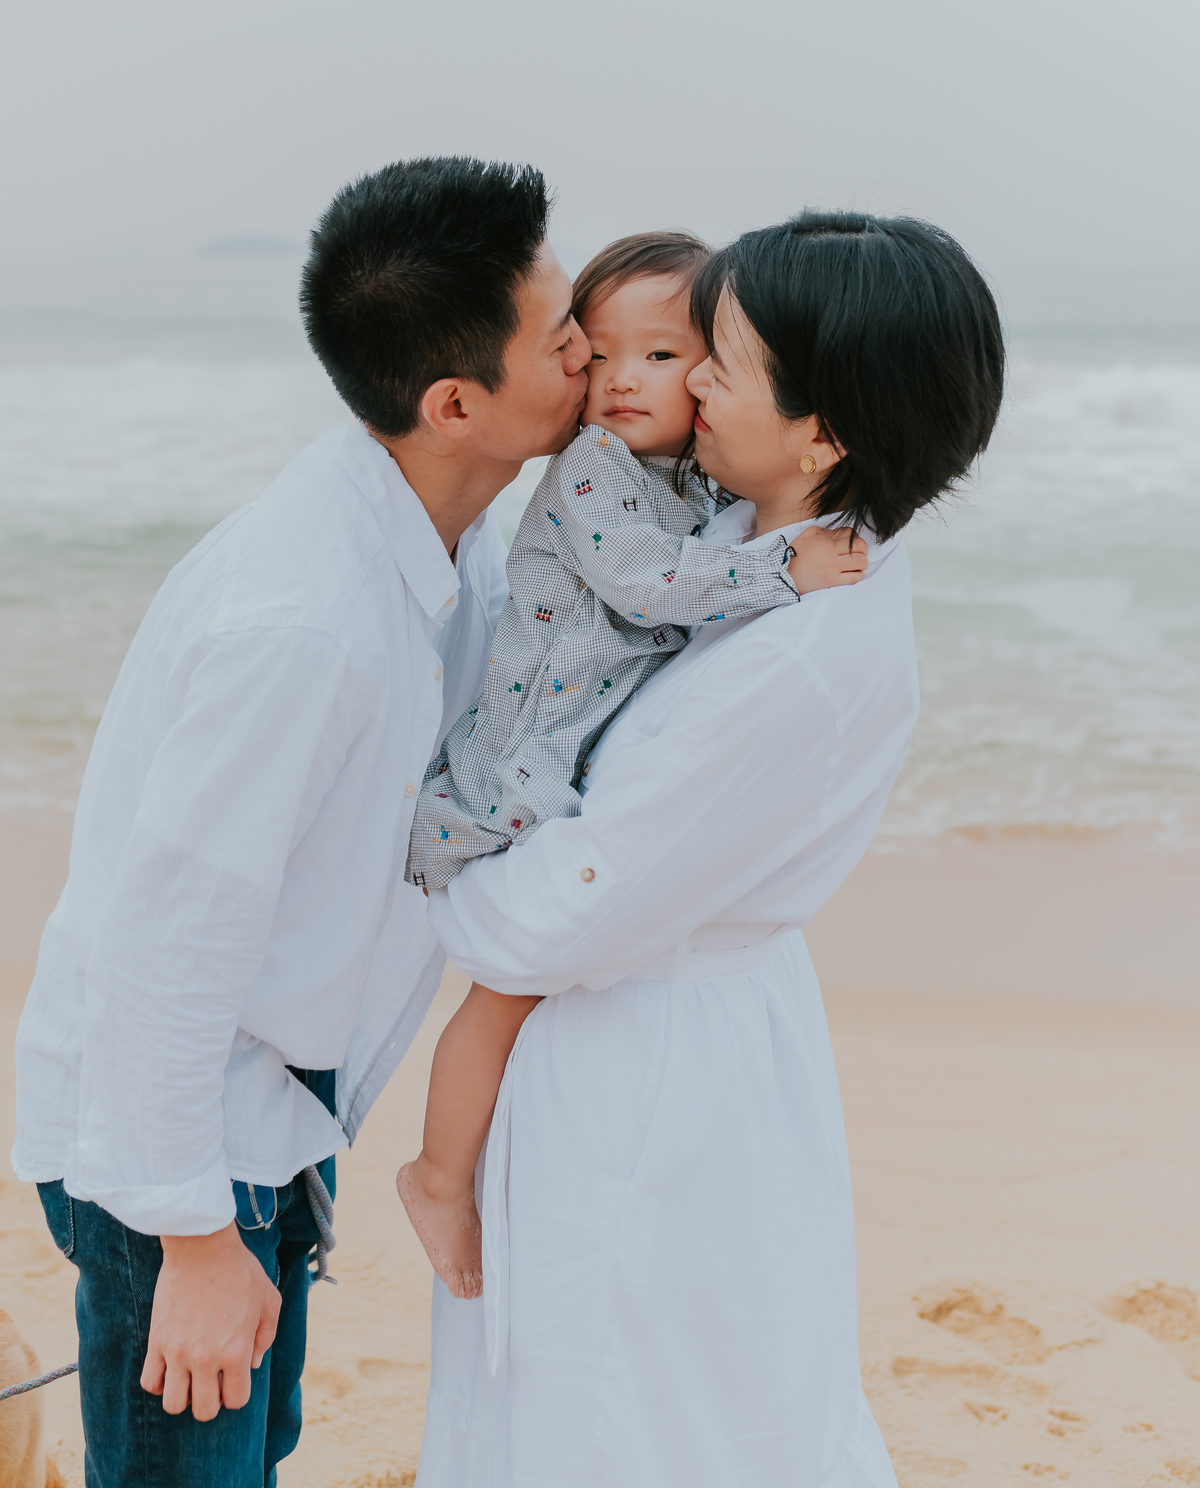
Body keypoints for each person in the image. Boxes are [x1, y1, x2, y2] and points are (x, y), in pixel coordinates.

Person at [11, 156, 591, 1487]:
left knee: (249, 1449)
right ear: (456, 402)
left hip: (270, 1123)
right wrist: (194, 1239)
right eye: (560, 336)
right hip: (170, 1154)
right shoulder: (302, 618)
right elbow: (167, 942)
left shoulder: (451, 537)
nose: (594, 350)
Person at [415, 211, 1005, 1487]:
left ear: (823, 430)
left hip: (651, 1067)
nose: (689, 387)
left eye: (720, 363)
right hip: (673, 1033)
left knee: (632, 1415)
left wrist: (450, 904)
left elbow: (559, 917)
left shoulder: (795, 651)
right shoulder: (765, 547)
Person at [398, 232, 867, 1297]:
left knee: (533, 988)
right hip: (518, 766)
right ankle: (435, 1172)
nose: (622, 380)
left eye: (662, 355)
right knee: (504, 990)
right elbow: (652, 583)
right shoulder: (594, 473)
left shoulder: (692, 483)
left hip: (569, 756)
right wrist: (784, 568)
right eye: (595, 352)